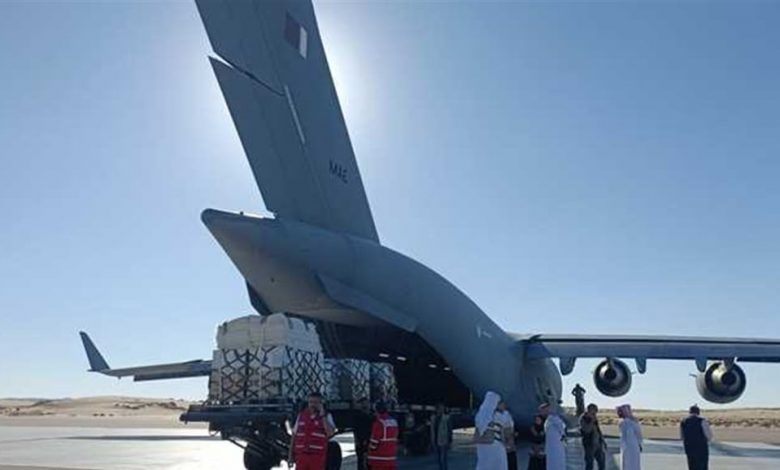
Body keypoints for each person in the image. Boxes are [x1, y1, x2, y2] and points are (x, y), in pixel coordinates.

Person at [289, 392, 336, 470]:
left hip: (317, 457)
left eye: (315, 402)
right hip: (301, 456)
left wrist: (322, 416)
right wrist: (290, 456)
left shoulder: (327, 416)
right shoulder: (301, 415)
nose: (312, 405)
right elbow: (294, 436)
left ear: (321, 404)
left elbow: (330, 433)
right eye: (310, 402)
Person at [474, 391, 508, 470]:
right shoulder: (482, 416)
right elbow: (479, 433)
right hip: (488, 448)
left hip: (497, 449)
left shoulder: (496, 415)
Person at [680, 405, 713, 470]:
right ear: (698, 412)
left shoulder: (684, 421)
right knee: (702, 465)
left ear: (690, 412)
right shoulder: (702, 421)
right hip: (701, 448)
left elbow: (682, 436)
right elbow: (709, 435)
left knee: (692, 465)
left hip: (689, 447)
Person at [368, 402, 399, 469]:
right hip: (391, 457)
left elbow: (374, 443)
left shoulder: (379, 423)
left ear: (376, 411)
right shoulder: (393, 422)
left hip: (379, 458)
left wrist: (368, 451)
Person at [580, 403, 606, 470]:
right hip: (589, 444)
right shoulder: (584, 418)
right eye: (594, 411)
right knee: (589, 463)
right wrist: (591, 421)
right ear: (589, 410)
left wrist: (602, 441)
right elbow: (587, 430)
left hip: (597, 444)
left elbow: (598, 430)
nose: (595, 413)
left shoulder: (594, 418)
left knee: (602, 462)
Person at [617, 404, 642, 470]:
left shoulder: (630, 422)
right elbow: (637, 433)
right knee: (629, 462)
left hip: (631, 445)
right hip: (629, 445)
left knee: (632, 462)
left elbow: (638, 433)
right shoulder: (625, 422)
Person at [543, 403, 566, 470]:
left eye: (543, 410)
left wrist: (563, 435)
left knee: (557, 461)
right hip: (551, 445)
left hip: (556, 444)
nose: (542, 412)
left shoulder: (553, 418)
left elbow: (561, 426)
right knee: (551, 462)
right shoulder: (548, 419)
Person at [430, 403, 453, 470]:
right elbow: (432, 430)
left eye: (442, 409)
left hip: (444, 440)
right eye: (440, 409)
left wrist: (450, 440)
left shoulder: (446, 418)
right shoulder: (433, 418)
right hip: (436, 440)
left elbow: (449, 430)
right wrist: (432, 440)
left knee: (443, 458)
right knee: (438, 458)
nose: (441, 410)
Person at [354, 398, 374, 470]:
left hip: (370, 439)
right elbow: (355, 429)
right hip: (361, 439)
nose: (365, 405)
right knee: (361, 460)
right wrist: (356, 441)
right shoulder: (357, 416)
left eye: (366, 403)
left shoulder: (372, 416)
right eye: (363, 403)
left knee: (370, 460)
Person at [496, 401, 517, 470]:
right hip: (502, 434)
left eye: (504, 405)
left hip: (510, 433)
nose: (503, 406)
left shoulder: (507, 413)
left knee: (512, 451)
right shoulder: (495, 415)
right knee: (505, 451)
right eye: (501, 405)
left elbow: (511, 422)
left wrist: (512, 432)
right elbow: (498, 425)